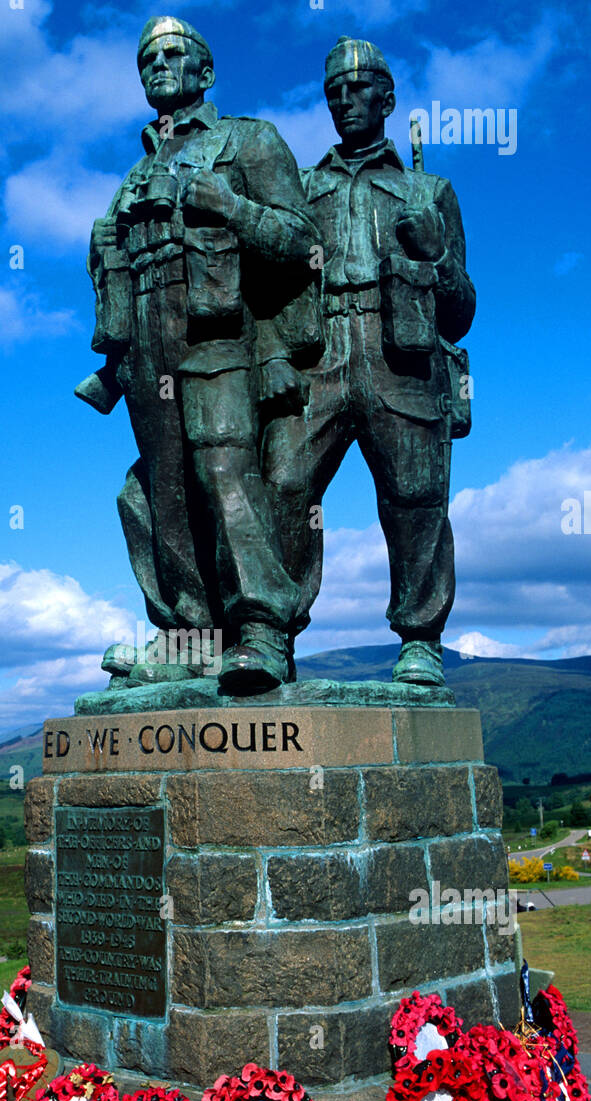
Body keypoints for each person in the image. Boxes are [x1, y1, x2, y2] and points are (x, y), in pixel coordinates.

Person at [77, 16, 320, 692]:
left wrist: (231, 207)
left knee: (223, 472)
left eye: (172, 54)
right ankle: (189, 635)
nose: (158, 65)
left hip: (219, 335)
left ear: (204, 71)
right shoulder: (133, 174)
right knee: (163, 490)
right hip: (144, 348)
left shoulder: (247, 140)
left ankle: (261, 629)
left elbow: (303, 244)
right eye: (146, 58)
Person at [262, 36, 475, 685]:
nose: (343, 101)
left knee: (414, 497)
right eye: (332, 93)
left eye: (356, 90)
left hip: (400, 354)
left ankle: (419, 640)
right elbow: (270, 287)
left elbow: (461, 309)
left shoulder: (428, 189)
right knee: (284, 484)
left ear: (386, 97)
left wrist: (435, 256)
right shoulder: (300, 186)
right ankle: (272, 633)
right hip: (319, 348)